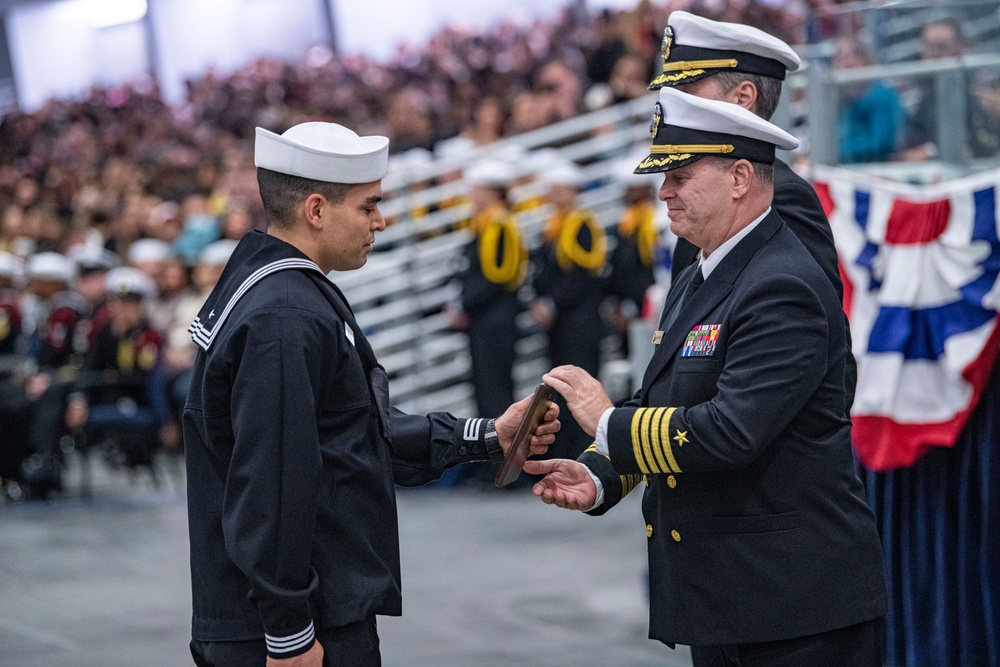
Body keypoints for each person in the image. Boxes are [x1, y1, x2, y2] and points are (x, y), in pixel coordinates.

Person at [524, 87, 887, 666]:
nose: (663, 190)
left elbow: (731, 431)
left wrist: (606, 423)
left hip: (793, 606)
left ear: (740, 177)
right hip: (725, 597)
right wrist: (601, 474)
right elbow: (663, 398)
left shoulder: (780, 283)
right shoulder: (701, 270)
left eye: (681, 174)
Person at [184, 121, 559, 667]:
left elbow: (354, 433)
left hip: (294, 612)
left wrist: (485, 436)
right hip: (290, 628)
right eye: (368, 206)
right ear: (316, 210)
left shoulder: (281, 290)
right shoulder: (287, 315)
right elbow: (274, 479)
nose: (379, 221)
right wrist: (288, 632)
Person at [530, 159, 608, 457]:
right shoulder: (554, 225)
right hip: (559, 324)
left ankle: (584, 453)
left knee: (581, 390)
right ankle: (562, 452)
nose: (551, 195)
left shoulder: (583, 224)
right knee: (559, 391)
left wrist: (552, 302)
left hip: (580, 322)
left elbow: (584, 274)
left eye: (557, 189)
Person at [832, 36, 906, 164]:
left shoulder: (883, 96)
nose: (847, 62)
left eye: (855, 54)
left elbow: (881, 144)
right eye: (840, 56)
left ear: (866, 60)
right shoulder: (839, 101)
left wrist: (833, 151)